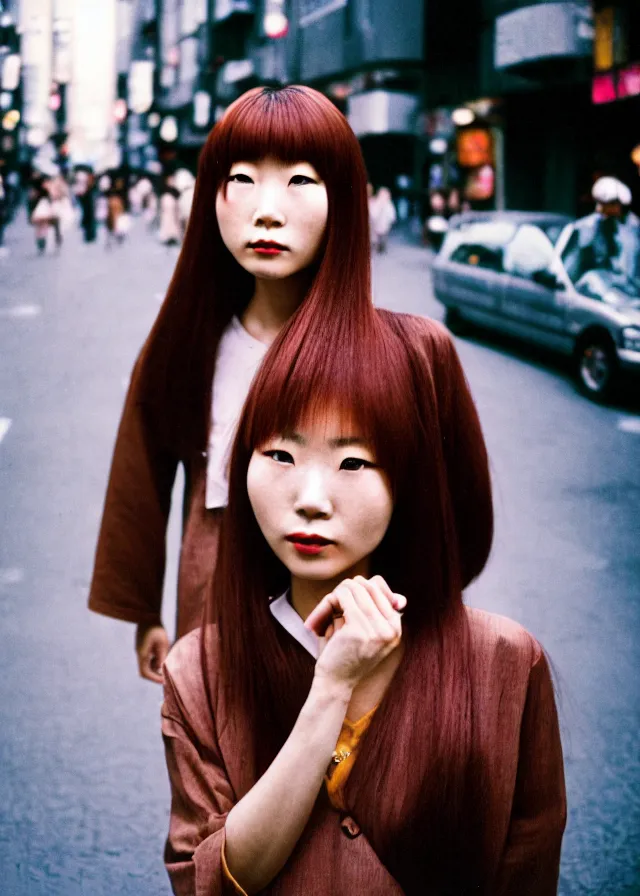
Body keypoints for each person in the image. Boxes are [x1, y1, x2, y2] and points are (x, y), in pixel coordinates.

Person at [161, 294, 567, 893]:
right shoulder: (199, 670)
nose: (311, 498)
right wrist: (330, 688)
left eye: (352, 462)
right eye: (279, 454)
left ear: (411, 481)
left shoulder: (506, 663)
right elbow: (209, 883)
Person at [88, 86, 371, 682]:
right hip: (210, 578)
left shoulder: (384, 353)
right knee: (213, 754)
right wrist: (146, 614)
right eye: (241, 178)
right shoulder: (187, 344)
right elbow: (139, 482)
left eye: (300, 180)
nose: (267, 209)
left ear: (343, 199)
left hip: (341, 591)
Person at [562, 176, 640, 283]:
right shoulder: (590, 226)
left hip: (629, 291)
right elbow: (574, 263)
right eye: (599, 203)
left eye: (605, 204)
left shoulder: (633, 226)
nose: (599, 209)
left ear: (618, 205)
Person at [370, 185, 396, 253]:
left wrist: (392, 219)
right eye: (382, 195)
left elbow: (392, 213)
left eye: (385, 195)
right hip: (377, 223)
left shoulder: (389, 204)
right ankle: (376, 244)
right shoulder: (376, 203)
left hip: (385, 223)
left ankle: (382, 245)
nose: (383, 197)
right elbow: (373, 213)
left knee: (384, 235)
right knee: (376, 235)